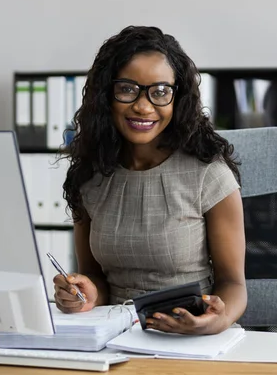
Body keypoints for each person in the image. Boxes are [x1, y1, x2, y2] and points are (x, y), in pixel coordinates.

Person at [54, 25, 246, 336]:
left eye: (159, 92)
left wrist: (218, 320)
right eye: (127, 89)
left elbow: (233, 283)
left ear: (177, 98)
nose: (143, 106)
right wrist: (85, 294)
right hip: (113, 337)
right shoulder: (89, 176)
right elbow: (94, 277)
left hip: (189, 336)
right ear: (106, 95)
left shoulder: (208, 174)